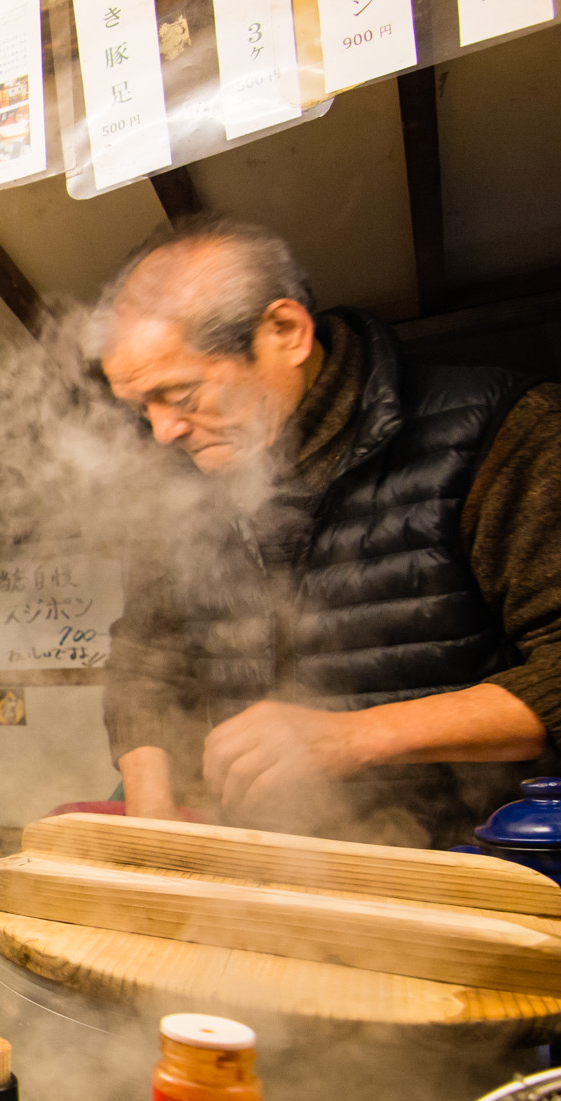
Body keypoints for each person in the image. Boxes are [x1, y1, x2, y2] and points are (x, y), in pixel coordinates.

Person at [93, 216, 561, 846]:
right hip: (274, 870)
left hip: (472, 873)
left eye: (181, 393)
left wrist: (351, 736)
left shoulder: (500, 433)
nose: (163, 432)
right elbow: (146, 662)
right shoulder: (180, 480)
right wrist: (153, 816)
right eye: (141, 407)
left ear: (284, 332)